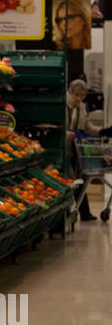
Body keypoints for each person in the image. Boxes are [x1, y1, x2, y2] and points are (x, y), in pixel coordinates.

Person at [66, 78, 97, 220]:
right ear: (70, 93)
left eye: (82, 95)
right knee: (70, 180)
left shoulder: (81, 109)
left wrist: (101, 132)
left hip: (75, 150)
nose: (78, 98)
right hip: (63, 150)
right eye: (76, 95)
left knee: (79, 179)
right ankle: (69, 212)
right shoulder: (63, 105)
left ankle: (84, 212)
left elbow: (87, 125)